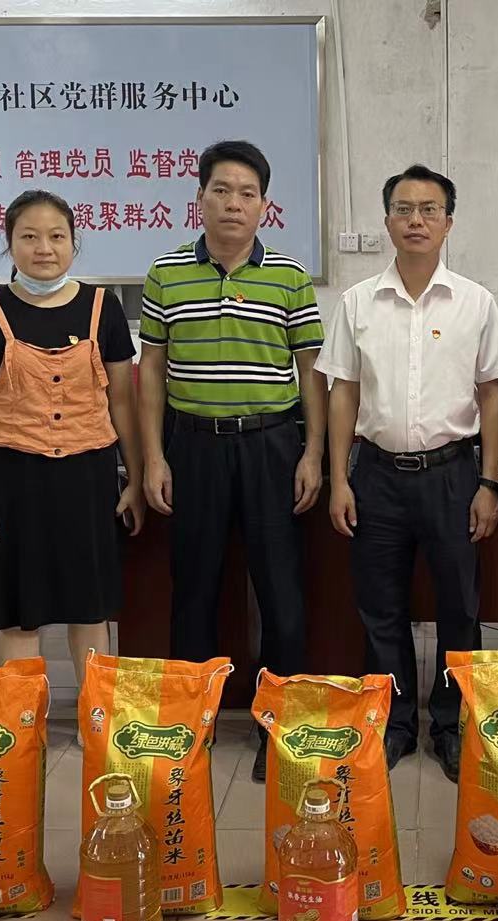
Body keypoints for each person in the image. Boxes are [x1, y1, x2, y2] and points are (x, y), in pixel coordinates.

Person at [319, 165, 498, 780]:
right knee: (380, 608)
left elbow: (492, 396)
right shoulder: (357, 302)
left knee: (460, 607)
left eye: (429, 210)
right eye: (403, 209)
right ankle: (395, 723)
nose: (416, 220)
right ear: (387, 221)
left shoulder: (475, 302)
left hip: (452, 474)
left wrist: (489, 483)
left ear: (448, 223)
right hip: (376, 475)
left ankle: (453, 725)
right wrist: (339, 479)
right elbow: (343, 393)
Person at [138, 140, 325, 782]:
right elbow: (151, 369)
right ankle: (191, 729)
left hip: (272, 446)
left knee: (281, 591)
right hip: (193, 446)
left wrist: (313, 453)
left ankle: (281, 730)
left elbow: (312, 371)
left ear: (264, 206)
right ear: (200, 198)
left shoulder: (290, 277)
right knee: (193, 588)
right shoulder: (166, 274)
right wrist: (153, 458)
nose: (233, 204)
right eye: (221, 190)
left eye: (247, 193)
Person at [0, 190, 144, 698]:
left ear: (73, 244)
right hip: (12, 481)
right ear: (9, 243)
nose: (44, 248)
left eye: (57, 236)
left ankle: (94, 721)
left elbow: (123, 402)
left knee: (91, 609)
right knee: (19, 612)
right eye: (30, 237)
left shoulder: (102, 308)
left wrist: (136, 478)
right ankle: (21, 724)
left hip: (89, 478)